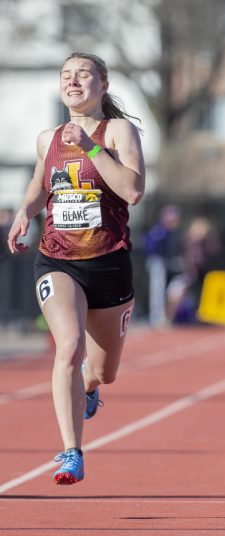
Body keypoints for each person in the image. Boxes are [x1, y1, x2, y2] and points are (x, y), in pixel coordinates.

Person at [5, 52, 145, 484]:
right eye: (66, 75)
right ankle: (71, 451)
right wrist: (24, 211)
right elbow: (37, 182)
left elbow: (133, 190)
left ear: (102, 85)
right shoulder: (47, 138)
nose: (73, 81)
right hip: (58, 260)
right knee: (68, 346)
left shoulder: (118, 131)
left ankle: (89, 387)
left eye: (83, 74)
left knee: (105, 371)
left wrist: (91, 148)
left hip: (108, 264)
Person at [143, 204, 181, 327]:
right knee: (157, 290)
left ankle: (161, 315)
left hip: (164, 262)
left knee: (163, 289)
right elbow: (151, 248)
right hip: (157, 262)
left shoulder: (168, 231)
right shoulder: (160, 230)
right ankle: (156, 316)